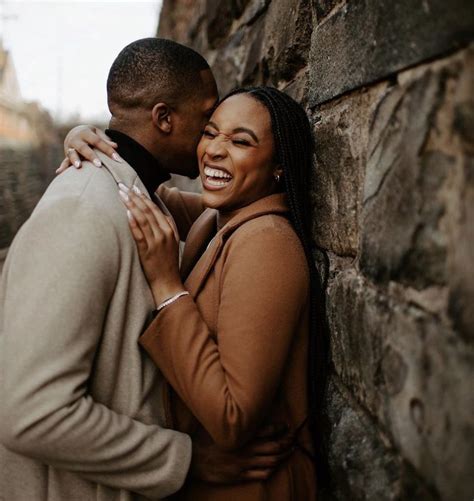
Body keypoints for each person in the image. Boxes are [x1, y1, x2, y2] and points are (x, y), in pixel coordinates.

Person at [0, 39, 289, 501]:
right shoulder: (80, 211)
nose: (210, 140)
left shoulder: (141, 197)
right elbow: (31, 413)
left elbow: (222, 212)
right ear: (164, 118)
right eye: (207, 120)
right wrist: (186, 460)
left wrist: (83, 133)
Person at [61, 85, 329, 500]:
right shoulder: (219, 216)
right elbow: (147, 193)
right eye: (210, 132)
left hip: (256, 487)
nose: (215, 150)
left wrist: (167, 285)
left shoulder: (267, 244)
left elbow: (232, 416)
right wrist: (88, 139)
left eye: (241, 141)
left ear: (278, 166)